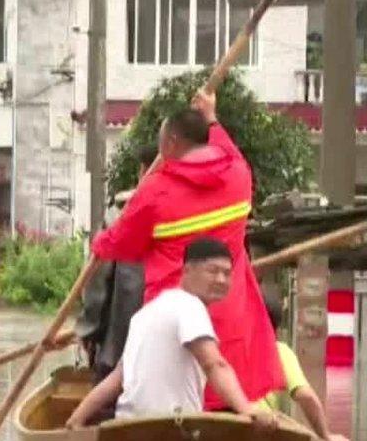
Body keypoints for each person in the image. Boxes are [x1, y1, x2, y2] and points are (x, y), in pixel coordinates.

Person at [90, 89, 284, 410]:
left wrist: (98, 242)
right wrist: (212, 117)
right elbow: (227, 148)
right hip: (228, 315)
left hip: (170, 320)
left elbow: (122, 244)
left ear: (168, 145)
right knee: (222, 395)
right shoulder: (239, 174)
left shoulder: (155, 192)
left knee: (166, 397)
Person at [66, 238, 273, 429]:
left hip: (126, 428)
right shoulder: (190, 306)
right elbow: (214, 364)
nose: (221, 279)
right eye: (213, 271)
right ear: (188, 270)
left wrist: (77, 418)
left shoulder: (145, 314)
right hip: (170, 431)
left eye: (227, 273)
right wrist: (246, 409)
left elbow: (116, 380)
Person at [76, 145, 158, 421]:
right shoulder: (190, 212)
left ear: (142, 171)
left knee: (102, 416)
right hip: (173, 351)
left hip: (119, 344)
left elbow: (97, 283)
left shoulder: (120, 216)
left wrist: (89, 331)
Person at [262, 297, 353, 441]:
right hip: (262, 425)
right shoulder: (278, 351)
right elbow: (306, 396)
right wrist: (326, 436)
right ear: (275, 328)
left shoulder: (218, 345)